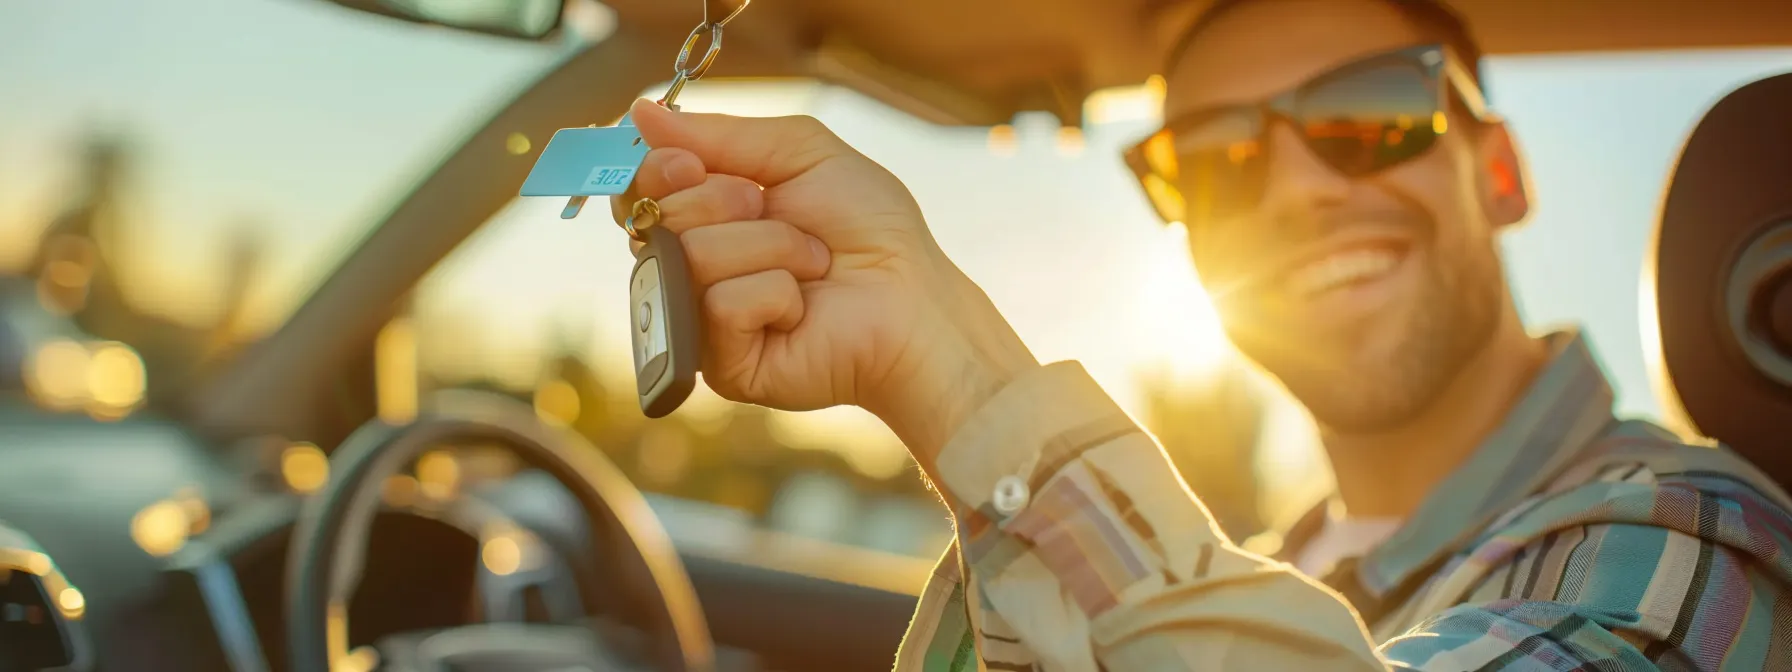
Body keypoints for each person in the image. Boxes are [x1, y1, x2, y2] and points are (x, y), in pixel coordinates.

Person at [609, 0, 1792, 668]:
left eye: (1367, 116)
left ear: (1497, 170)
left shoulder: (1690, 547)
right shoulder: (1234, 572)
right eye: (1217, 162)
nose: (1290, 192)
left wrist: (952, 375)